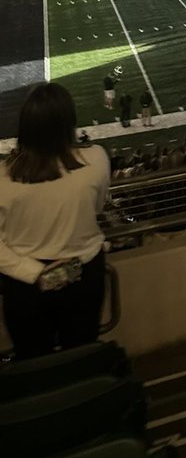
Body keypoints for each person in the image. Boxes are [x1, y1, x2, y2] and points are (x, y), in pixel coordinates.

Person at [0, 84, 110, 359]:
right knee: (82, 354)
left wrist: (33, 272)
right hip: (83, 275)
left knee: (33, 362)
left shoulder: (3, 177)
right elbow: (96, 209)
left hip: (25, 286)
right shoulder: (96, 159)